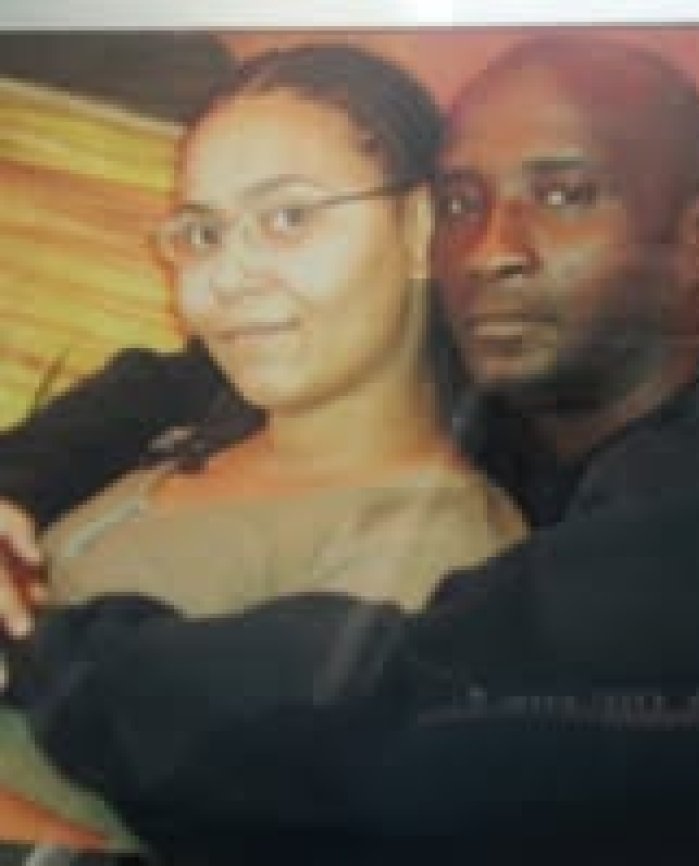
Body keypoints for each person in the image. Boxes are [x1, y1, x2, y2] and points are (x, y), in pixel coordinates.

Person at [2, 35, 699, 849]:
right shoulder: (546, 395)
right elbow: (188, 371)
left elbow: (382, 746)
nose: (491, 250)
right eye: (462, 204)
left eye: (565, 195)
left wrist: (35, 643)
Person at [0, 43, 524, 850]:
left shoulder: (427, 557)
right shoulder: (193, 426)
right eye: (202, 233)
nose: (229, 275)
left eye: (288, 218)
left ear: (421, 228)